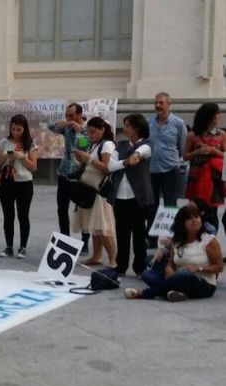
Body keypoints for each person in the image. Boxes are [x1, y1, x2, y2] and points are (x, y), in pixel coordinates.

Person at [125, 203, 222, 301]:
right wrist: (169, 268)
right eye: (190, 219)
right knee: (147, 274)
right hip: (178, 277)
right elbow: (172, 262)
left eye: (197, 217)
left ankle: (146, 293)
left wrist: (198, 268)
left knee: (185, 274)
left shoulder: (209, 241)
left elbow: (219, 267)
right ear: (182, 223)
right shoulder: (177, 241)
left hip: (202, 283)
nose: (195, 220)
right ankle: (176, 293)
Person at [108, 114, 153, 276]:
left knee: (139, 234)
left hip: (137, 197)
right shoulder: (120, 145)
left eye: (127, 125)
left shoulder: (147, 144)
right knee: (121, 233)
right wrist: (126, 162)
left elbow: (143, 151)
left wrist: (136, 155)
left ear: (136, 128)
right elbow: (110, 166)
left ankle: (140, 267)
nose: (124, 128)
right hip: (120, 196)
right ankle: (121, 266)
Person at [71, 117, 117, 268]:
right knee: (95, 227)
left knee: (103, 229)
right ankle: (97, 256)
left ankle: (113, 259)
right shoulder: (95, 145)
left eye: (93, 132)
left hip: (100, 191)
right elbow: (91, 164)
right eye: (89, 132)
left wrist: (88, 158)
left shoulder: (107, 145)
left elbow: (106, 168)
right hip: (89, 189)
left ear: (102, 130)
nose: (90, 135)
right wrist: (81, 159)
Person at [147, 92, 188, 248]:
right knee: (152, 206)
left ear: (168, 104)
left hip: (171, 170)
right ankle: (151, 238)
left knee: (170, 206)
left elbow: (182, 147)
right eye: (156, 102)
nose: (158, 106)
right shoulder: (149, 122)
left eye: (161, 103)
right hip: (151, 170)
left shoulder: (178, 123)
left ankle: (172, 237)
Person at [0, 114, 38, 259]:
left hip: (24, 183)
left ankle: (23, 247)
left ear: (24, 129)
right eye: (13, 129)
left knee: (23, 215)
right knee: (8, 215)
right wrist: (7, 155)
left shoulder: (30, 144)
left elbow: (33, 167)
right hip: (7, 182)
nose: (16, 132)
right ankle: (8, 246)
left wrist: (22, 157)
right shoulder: (3, 142)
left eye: (19, 129)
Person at [49, 103, 91, 254]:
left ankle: (85, 240)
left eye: (72, 115)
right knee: (62, 208)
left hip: (80, 174)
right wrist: (69, 123)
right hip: (64, 172)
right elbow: (51, 127)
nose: (68, 118)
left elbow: (84, 147)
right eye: (67, 115)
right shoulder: (67, 126)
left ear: (80, 114)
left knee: (83, 209)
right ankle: (64, 238)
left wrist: (78, 131)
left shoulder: (87, 129)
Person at [183, 102, 226, 232]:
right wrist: (197, 152)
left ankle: (211, 240)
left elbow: (225, 155)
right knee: (196, 210)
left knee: (212, 212)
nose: (219, 116)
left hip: (214, 179)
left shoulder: (221, 135)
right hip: (196, 177)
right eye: (216, 114)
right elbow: (185, 156)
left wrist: (214, 152)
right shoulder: (193, 135)